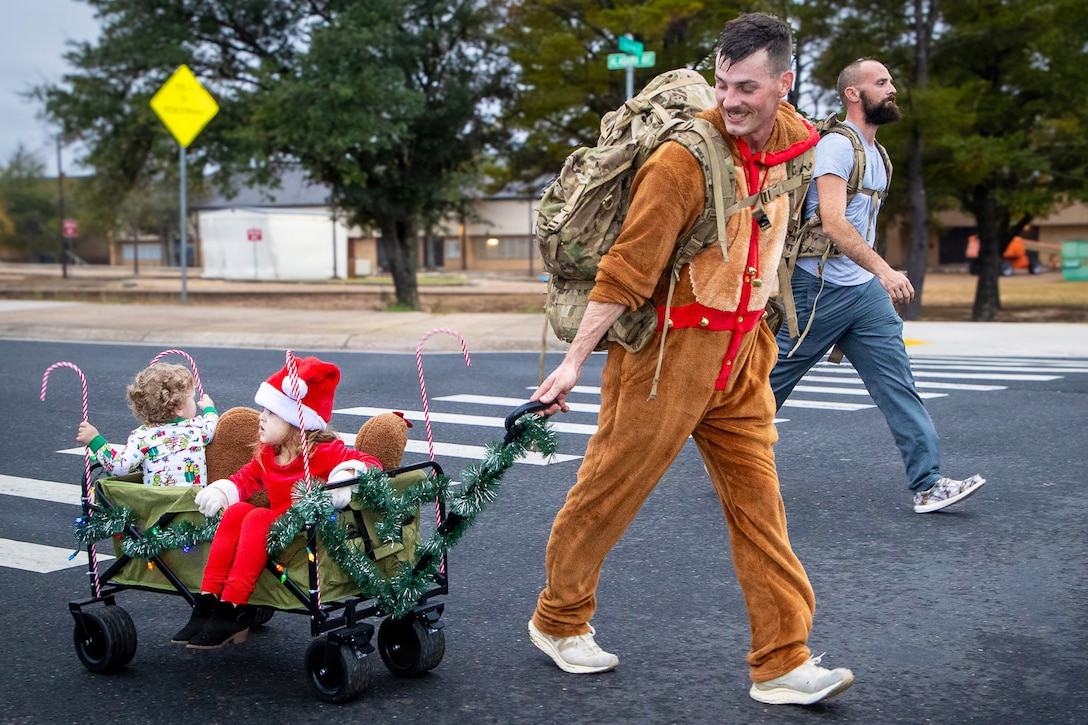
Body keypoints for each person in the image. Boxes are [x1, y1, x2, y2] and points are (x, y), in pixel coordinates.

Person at [527, 13, 854, 707]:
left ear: (784, 83)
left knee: (761, 510)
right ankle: (558, 618)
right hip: (666, 355)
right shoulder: (684, 158)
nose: (732, 100)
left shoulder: (800, 148)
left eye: (747, 88)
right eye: (724, 84)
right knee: (608, 492)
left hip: (743, 357)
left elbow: (788, 247)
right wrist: (573, 360)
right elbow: (625, 271)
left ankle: (781, 659)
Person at [769, 58, 986, 514]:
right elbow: (832, 223)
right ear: (854, 94)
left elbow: (861, 227)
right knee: (770, 386)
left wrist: (873, 276)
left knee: (897, 384)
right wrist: (885, 271)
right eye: (881, 83)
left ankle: (928, 484)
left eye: (890, 81)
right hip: (818, 290)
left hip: (862, 294)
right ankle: (727, 449)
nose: (892, 89)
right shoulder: (836, 147)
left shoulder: (878, 155)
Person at [172, 356, 381, 649]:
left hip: (305, 536)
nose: (261, 417)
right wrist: (223, 490)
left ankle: (234, 607)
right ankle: (208, 601)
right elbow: (246, 479)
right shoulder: (270, 454)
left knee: (257, 517)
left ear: (297, 422)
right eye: (263, 410)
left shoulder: (320, 452)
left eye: (271, 412)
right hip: (275, 533)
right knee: (238, 510)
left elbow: (369, 463)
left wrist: (344, 477)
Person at [76, 363, 218, 487]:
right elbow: (212, 424)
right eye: (192, 399)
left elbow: (120, 467)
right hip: (193, 506)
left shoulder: (142, 436)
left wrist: (95, 440)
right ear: (179, 408)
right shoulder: (196, 428)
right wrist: (208, 407)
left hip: (157, 510)